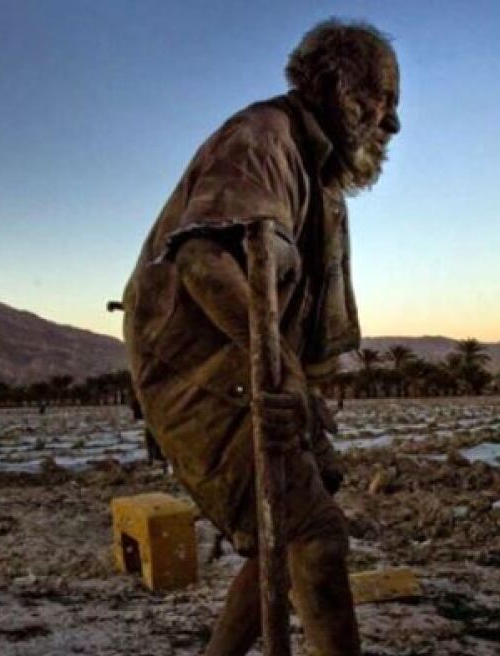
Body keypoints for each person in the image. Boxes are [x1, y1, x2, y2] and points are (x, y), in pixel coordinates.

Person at [121, 18, 400, 656]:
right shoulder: (262, 140)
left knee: (293, 520)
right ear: (340, 86)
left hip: (240, 364)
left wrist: (298, 384)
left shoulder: (314, 171)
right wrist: (283, 374)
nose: (391, 126)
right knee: (316, 533)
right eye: (385, 101)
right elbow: (201, 263)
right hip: (200, 371)